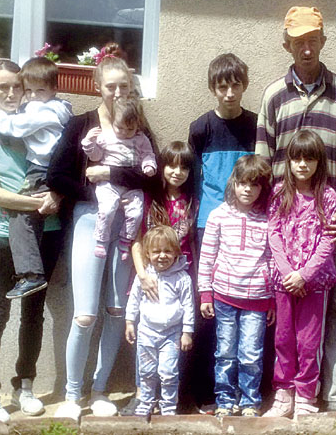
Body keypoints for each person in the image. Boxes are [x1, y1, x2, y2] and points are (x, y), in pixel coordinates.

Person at [255, 6, 336, 411]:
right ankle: (286, 390)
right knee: (285, 319)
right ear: (287, 45)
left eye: (313, 40)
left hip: (331, 221)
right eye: (298, 41)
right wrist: (271, 214)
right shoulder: (273, 96)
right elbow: (263, 159)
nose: (306, 48)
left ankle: (334, 395)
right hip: (286, 221)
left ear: (323, 41)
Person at [47, 43, 155, 420]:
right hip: (90, 220)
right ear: (98, 87)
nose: (118, 93)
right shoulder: (81, 125)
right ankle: (72, 395)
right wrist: (92, 191)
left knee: (115, 310)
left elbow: (152, 179)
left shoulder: (138, 123)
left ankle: (99, 390)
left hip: (126, 226)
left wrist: (111, 173)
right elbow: (56, 175)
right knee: (85, 315)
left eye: (124, 86)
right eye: (111, 86)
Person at [0, 60, 64, 422]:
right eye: (2, 87)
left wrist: (58, 195)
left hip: (49, 232)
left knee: (34, 315)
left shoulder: (36, 121)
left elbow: (62, 167)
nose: (11, 94)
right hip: (4, 236)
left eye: (17, 87)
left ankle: (25, 386)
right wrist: (40, 202)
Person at [187, 52, 256, 413]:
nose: (229, 93)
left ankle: (248, 392)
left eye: (235, 85)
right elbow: (192, 179)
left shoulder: (256, 126)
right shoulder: (201, 128)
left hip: (248, 226)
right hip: (208, 226)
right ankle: (204, 391)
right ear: (212, 88)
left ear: (245, 85)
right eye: (222, 86)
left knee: (249, 309)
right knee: (209, 306)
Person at [0, 56, 72, 299]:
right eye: (28, 90)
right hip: (42, 172)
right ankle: (31, 274)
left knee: (20, 216)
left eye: (38, 90)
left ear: (53, 89)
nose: (30, 96)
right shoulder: (45, 107)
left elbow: (13, 127)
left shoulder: (44, 111)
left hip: (44, 170)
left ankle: (31, 275)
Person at [263, 130, 336, 418]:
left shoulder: (328, 197)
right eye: (297, 158)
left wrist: (304, 275)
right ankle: (284, 395)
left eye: (309, 159)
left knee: (308, 342)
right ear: (289, 161)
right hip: (284, 282)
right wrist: (288, 273)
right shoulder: (279, 193)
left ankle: (306, 396)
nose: (303, 164)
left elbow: (329, 241)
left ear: (319, 162)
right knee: (283, 339)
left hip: (314, 284)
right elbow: (273, 233)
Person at [121, 141, 198, 416]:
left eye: (184, 167)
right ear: (162, 167)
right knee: (146, 343)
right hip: (150, 277)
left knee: (176, 345)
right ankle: (143, 396)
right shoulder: (150, 199)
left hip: (179, 278)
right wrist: (142, 276)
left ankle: (172, 400)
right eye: (171, 165)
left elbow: (192, 243)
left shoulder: (192, 202)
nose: (177, 172)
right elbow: (137, 240)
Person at [197, 155, 275, 418]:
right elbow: (207, 256)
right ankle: (225, 400)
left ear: (262, 188)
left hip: (258, 299)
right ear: (234, 183)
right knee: (225, 352)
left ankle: (250, 402)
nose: (247, 189)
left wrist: (272, 299)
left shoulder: (268, 219)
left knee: (251, 354)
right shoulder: (218, 216)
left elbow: (272, 260)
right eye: (243, 183)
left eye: (254, 185)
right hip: (224, 296)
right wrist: (205, 293)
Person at [125, 225, 195, 416]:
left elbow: (188, 306)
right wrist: (129, 322)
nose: (162, 256)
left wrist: (187, 332)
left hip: (171, 334)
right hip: (146, 332)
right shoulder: (144, 277)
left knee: (168, 372)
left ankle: (169, 406)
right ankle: (146, 402)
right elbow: (134, 300)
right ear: (147, 254)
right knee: (146, 371)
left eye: (167, 251)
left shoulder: (182, 278)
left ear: (176, 252)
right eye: (156, 251)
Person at [82, 95, 157, 260]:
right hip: (109, 184)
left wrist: (149, 165)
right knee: (107, 208)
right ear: (113, 121)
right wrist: (89, 143)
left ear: (138, 125)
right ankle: (101, 240)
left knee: (136, 212)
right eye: (120, 128)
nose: (124, 133)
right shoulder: (106, 136)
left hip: (131, 185)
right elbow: (96, 156)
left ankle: (126, 240)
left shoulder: (141, 139)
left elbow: (148, 154)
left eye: (130, 129)